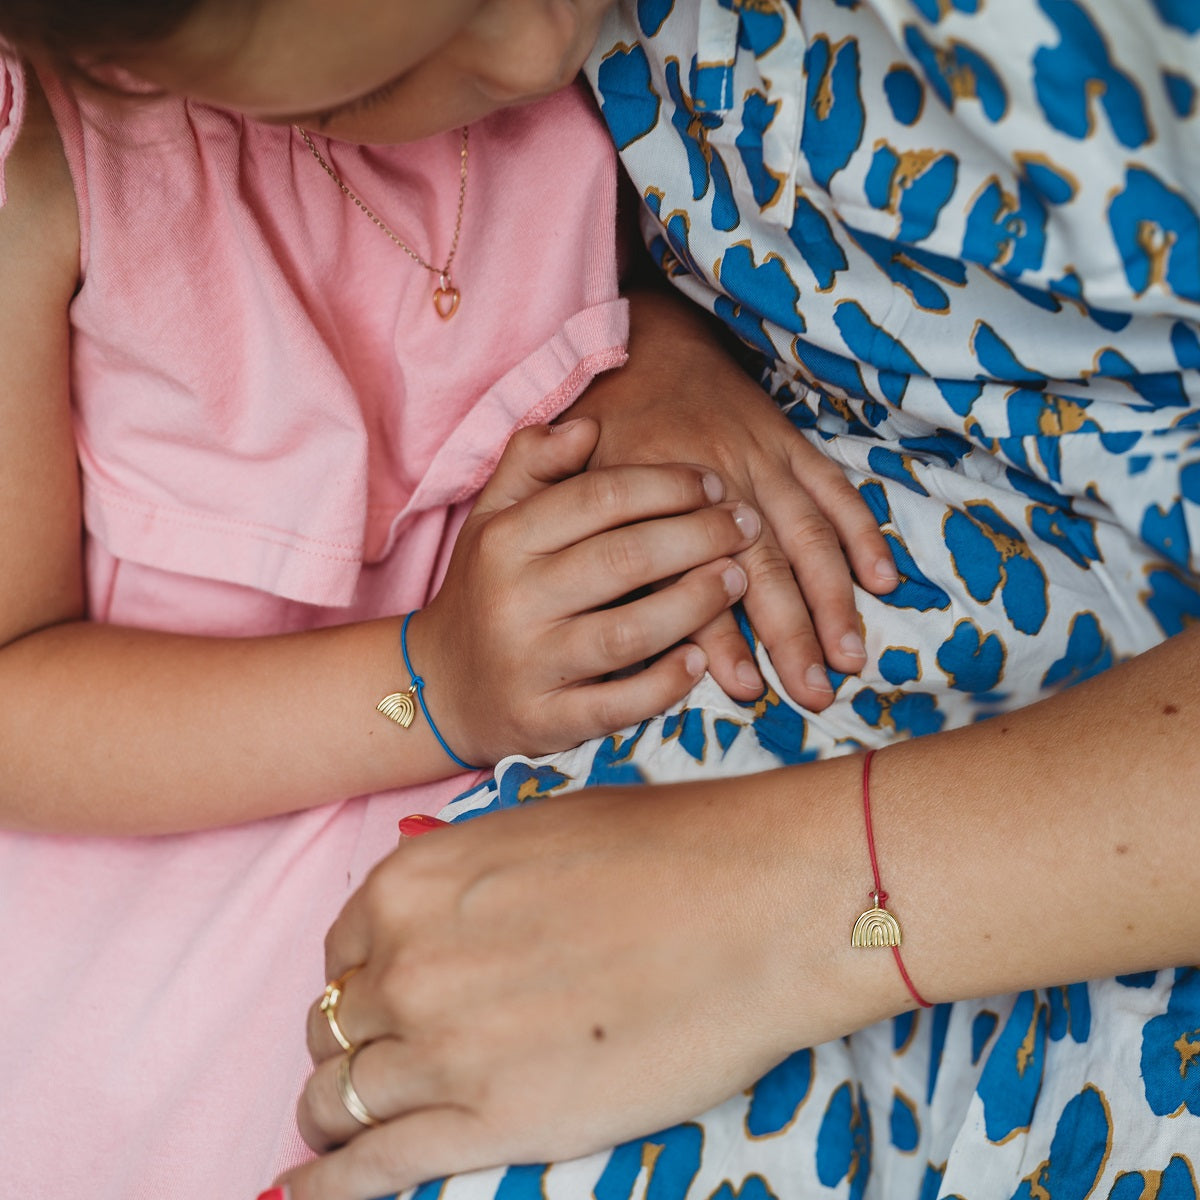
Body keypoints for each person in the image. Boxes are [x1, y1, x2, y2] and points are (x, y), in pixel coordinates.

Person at [256, 3, 1198, 1200]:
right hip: (865, 576)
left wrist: (797, 909)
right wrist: (651, 337)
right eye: (367, 87)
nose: (538, 57)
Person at [0, 3, 894, 1198]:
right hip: (159, 980)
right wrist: (431, 684)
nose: (530, 52)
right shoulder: (51, 169)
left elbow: (681, 259)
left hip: (555, 948)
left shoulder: (633, 56)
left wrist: (673, 349)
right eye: (365, 94)